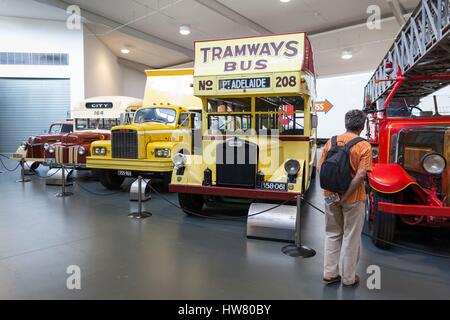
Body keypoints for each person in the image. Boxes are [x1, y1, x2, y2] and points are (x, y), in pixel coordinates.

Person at [318, 109, 372, 287]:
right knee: (351, 236)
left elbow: (320, 169)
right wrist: (345, 196)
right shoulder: (364, 146)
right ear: (362, 126)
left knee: (332, 234)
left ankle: (329, 273)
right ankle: (348, 278)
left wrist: (334, 194)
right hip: (354, 199)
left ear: (345, 123)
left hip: (330, 197)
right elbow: (360, 175)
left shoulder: (331, 141)